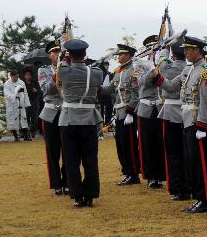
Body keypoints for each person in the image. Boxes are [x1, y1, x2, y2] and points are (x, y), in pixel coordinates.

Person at [153, 36, 207, 213]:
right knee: (191, 161)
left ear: (197, 50)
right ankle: (199, 197)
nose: (186, 52)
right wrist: (157, 77)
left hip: (197, 121)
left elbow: (206, 101)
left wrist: (203, 125)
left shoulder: (206, 71)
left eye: (188, 49)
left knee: (200, 162)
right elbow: (172, 87)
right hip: (187, 119)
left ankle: (204, 199)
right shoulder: (189, 70)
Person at [57, 39, 103, 208]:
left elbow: (60, 66)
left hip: (69, 119)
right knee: (90, 159)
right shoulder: (96, 72)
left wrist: (64, 57)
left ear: (69, 55)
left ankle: (77, 195)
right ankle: (90, 194)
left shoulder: (64, 70)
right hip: (89, 119)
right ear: (85, 54)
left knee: (71, 160)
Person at [155, 42, 190, 201]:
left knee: (173, 154)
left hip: (170, 113)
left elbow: (161, 62)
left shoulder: (168, 69)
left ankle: (177, 188)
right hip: (187, 113)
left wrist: (164, 47)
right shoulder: (190, 68)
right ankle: (188, 186)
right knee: (187, 153)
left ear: (173, 55)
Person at [105, 43, 141, 185]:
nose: (118, 57)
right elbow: (109, 89)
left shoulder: (134, 71)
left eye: (121, 54)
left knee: (129, 144)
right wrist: (94, 85)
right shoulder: (118, 72)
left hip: (128, 112)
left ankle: (133, 173)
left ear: (128, 55)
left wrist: (131, 112)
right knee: (120, 144)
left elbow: (136, 94)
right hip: (119, 112)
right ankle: (127, 171)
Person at [134, 35, 166, 189]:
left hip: (160, 108)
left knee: (161, 143)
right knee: (146, 143)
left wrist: (158, 66)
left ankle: (161, 174)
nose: (153, 53)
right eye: (151, 50)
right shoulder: (139, 65)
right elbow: (143, 81)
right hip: (146, 108)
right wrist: (152, 68)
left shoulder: (164, 63)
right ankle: (151, 176)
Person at [38, 42, 66, 194]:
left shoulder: (69, 68)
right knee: (52, 150)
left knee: (68, 149)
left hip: (66, 112)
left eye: (59, 51)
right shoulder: (43, 70)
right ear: (49, 55)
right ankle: (56, 184)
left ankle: (67, 181)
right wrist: (57, 74)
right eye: (54, 52)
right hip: (50, 113)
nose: (57, 54)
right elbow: (45, 89)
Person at [3, 71, 31, 141]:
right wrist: (14, 95)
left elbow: (25, 93)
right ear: (11, 76)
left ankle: (26, 135)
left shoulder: (21, 82)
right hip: (12, 104)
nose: (16, 78)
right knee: (12, 120)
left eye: (17, 77)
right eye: (15, 77)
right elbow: (6, 94)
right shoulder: (7, 84)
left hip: (21, 103)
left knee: (23, 119)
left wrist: (26, 103)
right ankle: (15, 136)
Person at [22, 68, 42, 134]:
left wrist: (36, 91)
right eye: (26, 75)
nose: (28, 76)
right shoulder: (22, 83)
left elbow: (40, 91)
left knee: (34, 117)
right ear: (24, 76)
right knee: (26, 117)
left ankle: (33, 132)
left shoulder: (35, 82)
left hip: (35, 102)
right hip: (25, 102)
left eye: (29, 75)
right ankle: (25, 132)